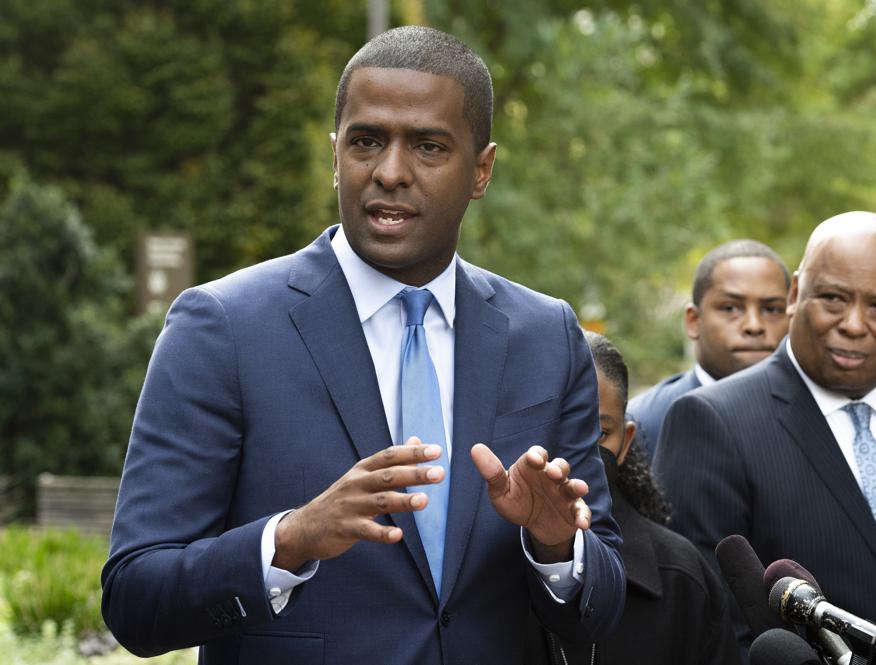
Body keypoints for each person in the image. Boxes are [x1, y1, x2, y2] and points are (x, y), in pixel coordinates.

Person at [102, 26, 624, 665]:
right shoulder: (223, 328)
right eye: (366, 141)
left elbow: (603, 601)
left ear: (482, 169)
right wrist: (289, 540)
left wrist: (553, 544)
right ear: (334, 154)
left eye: (429, 147)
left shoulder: (547, 335)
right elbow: (135, 597)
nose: (390, 172)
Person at [654, 212, 876, 661]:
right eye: (834, 298)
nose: (855, 324)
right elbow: (706, 629)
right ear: (796, 294)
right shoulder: (710, 422)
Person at [524, 331, 738, 664]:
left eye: (598, 433)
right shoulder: (479, 569)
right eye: (557, 428)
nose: (572, 453)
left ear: (626, 442)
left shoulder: (680, 576)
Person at [627, 239, 789, 455]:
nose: (754, 325)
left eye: (772, 309)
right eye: (731, 308)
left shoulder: (820, 415)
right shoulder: (642, 425)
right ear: (694, 321)